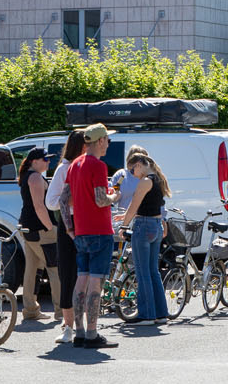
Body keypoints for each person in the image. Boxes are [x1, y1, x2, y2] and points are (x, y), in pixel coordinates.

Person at [68, 124, 118, 349]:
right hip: (99, 229)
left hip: (80, 230)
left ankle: (79, 332)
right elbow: (100, 200)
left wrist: (70, 227)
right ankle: (92, 333)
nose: (108, 143)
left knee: (82, 280)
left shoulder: (74, 164)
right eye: (107, 140)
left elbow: (63, 199)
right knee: (96, 283)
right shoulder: (98, 166)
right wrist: (115, 195)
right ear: (99, 141)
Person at [117, 152, 171, 325]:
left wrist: (124, 224)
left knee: (142, 272)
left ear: (139, 164)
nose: (132, 174)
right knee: (153, 271)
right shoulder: (157, 179)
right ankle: (161, 313)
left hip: (143, 226)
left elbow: (134, 205)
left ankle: (146, 314)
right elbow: (151, 206)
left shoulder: (145, 181)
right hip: (155, 225)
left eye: (132, 170)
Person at [44, 130, 86, 344]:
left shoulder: (85, 166)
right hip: (69, 225)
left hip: (85, 224)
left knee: (86, 275)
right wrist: (72, 200)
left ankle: (81, 325)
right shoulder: (64, 168)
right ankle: (68, 326)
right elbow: (50, 202)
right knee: (69, 275)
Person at [17, 148, 61, 322]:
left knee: (33, 268)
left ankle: (30, 310)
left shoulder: (30, 175)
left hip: (29, 227)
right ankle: (61, 311)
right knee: (55, 269)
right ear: (34, 161)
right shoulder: (34, 177)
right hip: (40, 229)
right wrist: (50, 227)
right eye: (45, 159)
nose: (48, 162)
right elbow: (39, 206)